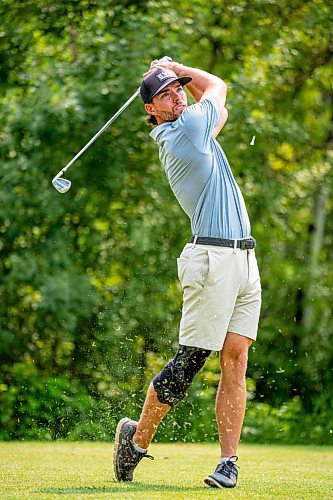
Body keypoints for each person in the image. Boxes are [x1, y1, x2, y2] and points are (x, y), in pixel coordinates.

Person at [113, 58, 261, 489]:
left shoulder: (195, 128)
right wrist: (177, 65)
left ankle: (228, 462)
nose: (177, 94)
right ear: (151, 112)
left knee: (236, 360)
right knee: (189, 365)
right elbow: (217, 86)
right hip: (211, 260)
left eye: (179, 88)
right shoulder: (187, 133)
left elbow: (221, 110)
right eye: (165, 93)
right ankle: (135, 442)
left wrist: (173, 76)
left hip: (244, 260)